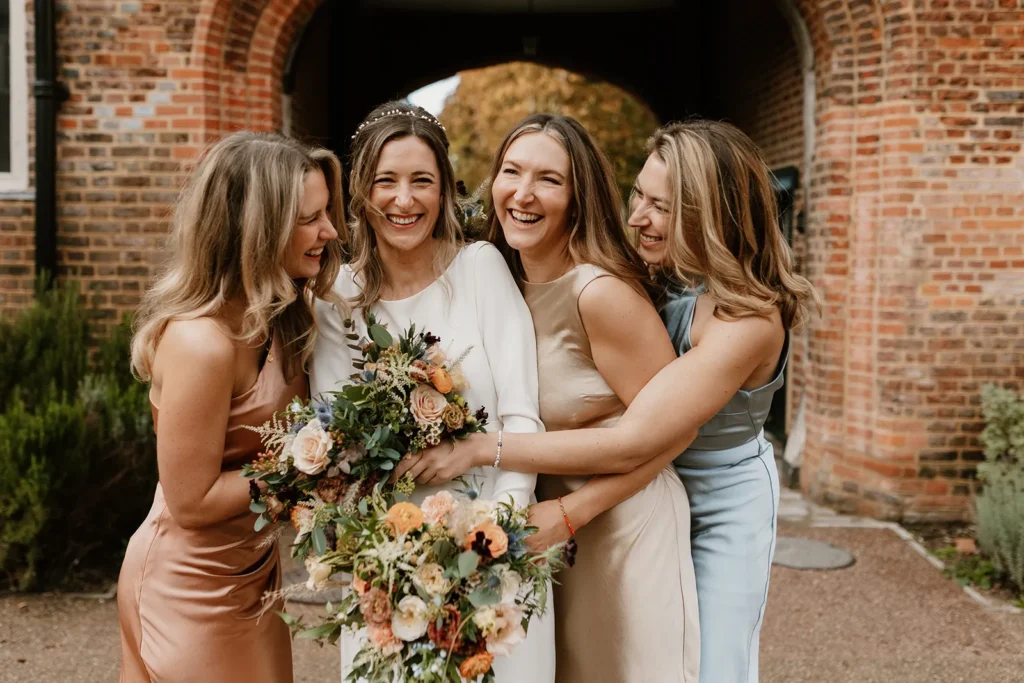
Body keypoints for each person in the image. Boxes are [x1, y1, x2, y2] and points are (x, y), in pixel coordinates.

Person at [402, 119, 820, 683]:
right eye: (638, 195)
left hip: (719, 496)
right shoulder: (659, 272)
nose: (639, 218)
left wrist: (486, 452)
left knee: (714, 663)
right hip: (633, 479)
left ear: (713, 214)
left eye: (664, 207)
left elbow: (640, 439)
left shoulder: (748, 319)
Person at [308, 101, 555, 682]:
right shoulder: (336, 298)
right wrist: (374, 546)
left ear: (444, 191)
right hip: (385, 563)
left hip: (495, 553)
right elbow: (336, 447)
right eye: (386, 181)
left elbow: (523, 417)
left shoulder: (481, 268)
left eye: (423, 181)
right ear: (361, 193)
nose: (404, 199)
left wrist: (493, 540)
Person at [118, 132, 345, 683]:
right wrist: (313, 466)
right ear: (257, 231)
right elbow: (191, 500)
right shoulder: (201, 344)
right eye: (310, 218)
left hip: (253, 570)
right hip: (188, 586)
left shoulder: (286, 313)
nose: (330, 232)